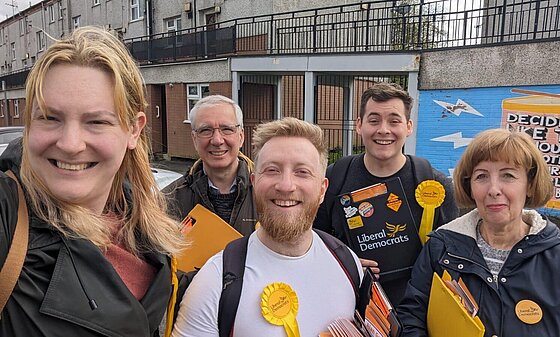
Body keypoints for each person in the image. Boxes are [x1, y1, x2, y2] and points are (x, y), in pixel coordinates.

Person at [0, 27, 184, 336]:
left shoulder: (143, 223)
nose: (71, 144)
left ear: (134, 130)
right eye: (49, 117)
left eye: (96, 121)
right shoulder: (7, 214)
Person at [397, 128, 560, 337]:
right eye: (482, 176)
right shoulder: (441, 248)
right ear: (470, 186)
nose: (493, 189)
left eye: (508, 175)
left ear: (530, 185)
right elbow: (412, 318)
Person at [172, 117, 363, 337]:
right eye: (272, 170)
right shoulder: (214, 281)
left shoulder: (348, 264)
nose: (285, 185)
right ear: (254, 182)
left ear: (322, 189)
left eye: (302, 172)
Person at [313, 82, 458, 306]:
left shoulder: (434, 185)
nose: (383, 129)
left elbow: (453, 258)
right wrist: (344, 263)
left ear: (408, 127)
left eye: (394, 120)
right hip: (348, 309)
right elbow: (312, 246)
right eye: (374, 120)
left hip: (415, 313)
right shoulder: (333, 180)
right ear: (359, 125)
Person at [164, 95, 257, 236]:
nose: (217, 140)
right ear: (194, 139)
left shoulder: (266, 193)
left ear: (241, 136)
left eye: (226, 129)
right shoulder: (168, 201)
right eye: (206, 130)